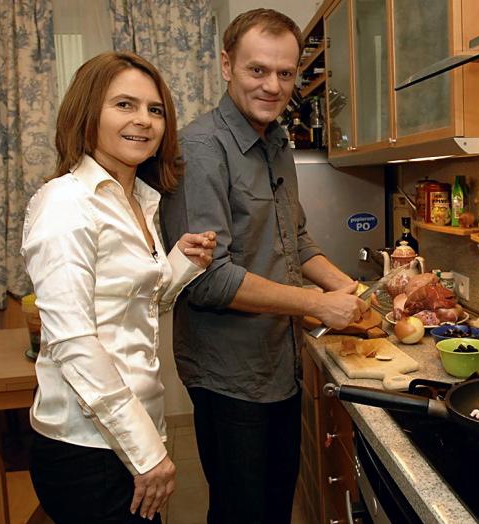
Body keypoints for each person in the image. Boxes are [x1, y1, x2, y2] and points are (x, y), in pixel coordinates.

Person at [160, 9, 368, 523]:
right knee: (243, 512)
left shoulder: (275, 143)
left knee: (273, 506)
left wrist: (355, 291)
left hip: (278, 362)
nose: (273, 86)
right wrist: (319, 304)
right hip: (229, 373)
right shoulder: (201, 150)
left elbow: (295, 239)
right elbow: (208, 279)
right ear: (226, 65)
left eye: (285, 73)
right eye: (258, 70)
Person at [21, 51, 217, 523]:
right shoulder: (67, 202)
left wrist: (179, 264)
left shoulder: (138, 200)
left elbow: (134, 310)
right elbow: (74, 342)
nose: (144, 120)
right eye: (124, 104)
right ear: (88, 113)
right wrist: (147, 453)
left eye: (155, 109)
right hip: (87, 446)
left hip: (131, 428)